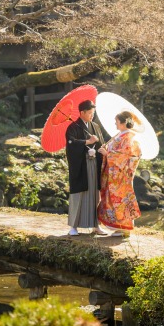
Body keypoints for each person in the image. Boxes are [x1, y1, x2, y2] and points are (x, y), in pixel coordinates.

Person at [65, 99, 108, 236]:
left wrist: (101, 149)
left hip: (94, 164)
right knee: (79, 195)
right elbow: (71, 145)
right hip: (81, 165)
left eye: (93, 113)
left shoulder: (95, 126)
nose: (92, 115)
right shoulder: (73, 127)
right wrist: (86, 142)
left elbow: (101, 143)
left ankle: (96, 226)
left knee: (95, 195)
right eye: (90, 113)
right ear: (82, 112)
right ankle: (74, 226)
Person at [98, 110, 142, 238]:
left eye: (116, 122)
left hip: (121, 175)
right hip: (114, 173)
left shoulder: (129, 137)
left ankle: (125, 228)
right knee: (114, 199)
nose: (115, 124)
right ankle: (119, 227)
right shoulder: (121, 135)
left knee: (121, 199)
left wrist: (108, 154)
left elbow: (125, 155)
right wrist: (106, 149)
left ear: (123, 123)